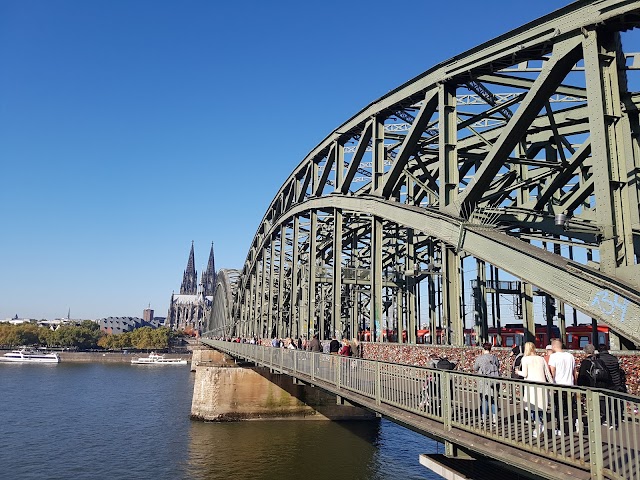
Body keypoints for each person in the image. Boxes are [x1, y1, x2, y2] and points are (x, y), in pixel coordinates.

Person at [516, 342, 553, 438]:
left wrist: (517, 372)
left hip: (531, 387)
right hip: (542, 386)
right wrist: (553, 384)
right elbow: (547, 373)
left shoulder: (525, 359)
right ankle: (541, 425)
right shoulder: (541, 358)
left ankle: (538, 425)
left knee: (532, 407)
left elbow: (524, 374)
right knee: (541, 407)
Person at [548, 338, 576, 436]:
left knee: (559, 408)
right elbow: (574, 371)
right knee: (570, 407)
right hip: (570, 384)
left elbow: (552, 371)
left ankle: (560, 429)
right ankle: (574, 425)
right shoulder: (570, 356)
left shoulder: (553, 357)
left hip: (558, 385)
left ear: (554, 346)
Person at [598, 344, 627, 430]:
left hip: (607, 383)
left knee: (606, 403)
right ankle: (616, 419)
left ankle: (608, 420)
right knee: (614, 403)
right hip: (616, 382)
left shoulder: (599, 359)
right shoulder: (614, 358)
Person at [473, 342, 500, 424]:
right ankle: (494, 419)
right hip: (493, 381)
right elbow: (498, 366)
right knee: (493, 400)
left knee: (484, 400)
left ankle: (484, 418)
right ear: (490, 349)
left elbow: (475, 368)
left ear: (483, 349)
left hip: (483, 381)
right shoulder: (494, 358)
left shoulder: (480, 358)